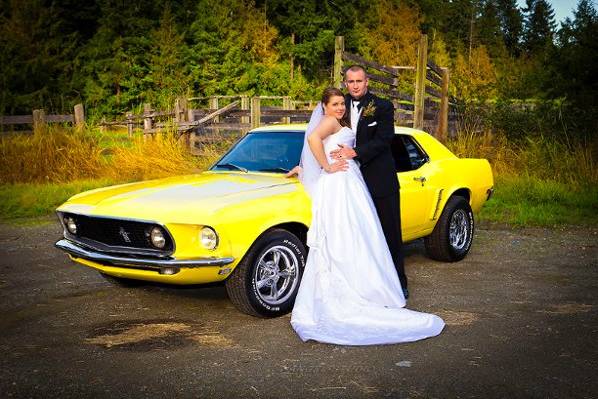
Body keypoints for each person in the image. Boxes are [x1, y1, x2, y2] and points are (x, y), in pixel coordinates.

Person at [290, 87, 444, 345]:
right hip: (339, 182)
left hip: (350, 181)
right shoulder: (330, 121)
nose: (340, 107)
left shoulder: (344, 118)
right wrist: (324, 166)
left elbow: (369, 140)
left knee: (355, 235)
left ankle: (361, 287)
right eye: (335, 103)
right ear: (324, 107)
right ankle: (363, 289)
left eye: (341, 103)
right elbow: (313, 140)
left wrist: (314, 166)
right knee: (350, 234)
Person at [330, 65, 409, 298]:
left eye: (359, 81)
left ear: (367, 83)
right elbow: (318, 136)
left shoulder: (382, 106)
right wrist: (304, 165)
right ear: (345, 83)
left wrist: (356, 152)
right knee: (357, 235)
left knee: (389, 233)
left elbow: (385, 138)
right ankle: (363, 288)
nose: (354, 85)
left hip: (380, 180)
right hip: (347, 182)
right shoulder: (338, 105)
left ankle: (399, 284)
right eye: (350, 81)